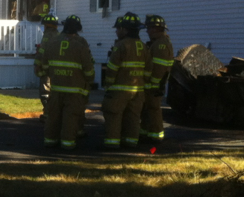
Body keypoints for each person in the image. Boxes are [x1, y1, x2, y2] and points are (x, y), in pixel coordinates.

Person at [41, 15, 94, 150]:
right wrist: (89, 81)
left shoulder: (52, 43)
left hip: (57, 89)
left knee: (53, 116)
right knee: (70, 117)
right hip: (74, 90)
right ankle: (67, 144)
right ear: (78, 29)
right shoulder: (81, 44)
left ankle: (50, 141)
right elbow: (89, 70)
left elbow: (45, 67)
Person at [102, 12, 151, 149]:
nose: (117, 31)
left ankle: (112, 143)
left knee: (114, 115)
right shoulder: (143, 47)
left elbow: (112, 68)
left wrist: (108, 86)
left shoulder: (121, 45)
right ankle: (130, 142)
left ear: (125, 29)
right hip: (138, 91)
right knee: (133, 117)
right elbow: (148, 69)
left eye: (119, 28)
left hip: (119, 90)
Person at [141, 14, 175, 143]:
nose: (147, 31)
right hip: (152, 85)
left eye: (149, 28)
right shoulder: (157, 43)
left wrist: (153, 84)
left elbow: (159, 68)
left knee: (154, 109)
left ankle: (156, 135)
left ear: (155, 29)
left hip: (154, 85)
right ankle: (145, 131)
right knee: (148, 109)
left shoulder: (161, 45)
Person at [33, 13, 61, 115]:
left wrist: (37, 64)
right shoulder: (59, 36)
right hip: (57, 70)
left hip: (46, 69)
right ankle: (53, 113)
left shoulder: (47, 36)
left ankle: (48, 113)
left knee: (45, 92)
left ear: (47, 25)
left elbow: (42, 52)